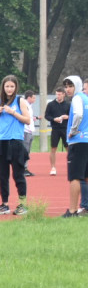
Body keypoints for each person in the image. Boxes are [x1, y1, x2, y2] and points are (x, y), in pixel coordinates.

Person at [0, 74, 31, 215]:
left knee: (18, 174)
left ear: (16, 87)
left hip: (15, 141)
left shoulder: (20, 101)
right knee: (2, 175)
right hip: (1, 141)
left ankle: (22, 204)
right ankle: (5, 204)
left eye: (12, 86)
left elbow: (28, 120)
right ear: (3, 87)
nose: (9, 89)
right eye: (7, 86)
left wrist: (13, 112)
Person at [61, 76, 88, 217]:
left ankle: (72, 211)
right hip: (87, 142)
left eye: (70, 86)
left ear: (76, 86)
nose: (67, 89)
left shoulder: (77, 98)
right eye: (66, 86)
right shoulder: (86, 98)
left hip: (78, 141)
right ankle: (86, 207)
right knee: (85, 176)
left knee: (75, 177)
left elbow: (78, 115)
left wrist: (73, 130)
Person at [45, 86, 70, 176]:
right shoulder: (51, 104)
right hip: (55, 129)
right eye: (57, 94)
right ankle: (53, 168)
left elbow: (72, 116)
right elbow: (46, 116)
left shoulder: (68, 104)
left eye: (59, 94)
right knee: (53, 148)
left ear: (63, 94)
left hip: (65, 129)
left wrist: (67, 117)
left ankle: (71, 167)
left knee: (68, 148)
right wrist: (54, 119)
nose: (58, 96)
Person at [22, 89, 37, 176]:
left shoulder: (29, 106)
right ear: (29, 97)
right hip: (25, 131)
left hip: (30, 131)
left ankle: (25, 168)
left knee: (27, 151)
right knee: (25, 151)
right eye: (33, 98)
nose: (34, 100)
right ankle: (22, 168)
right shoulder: (24, 105)